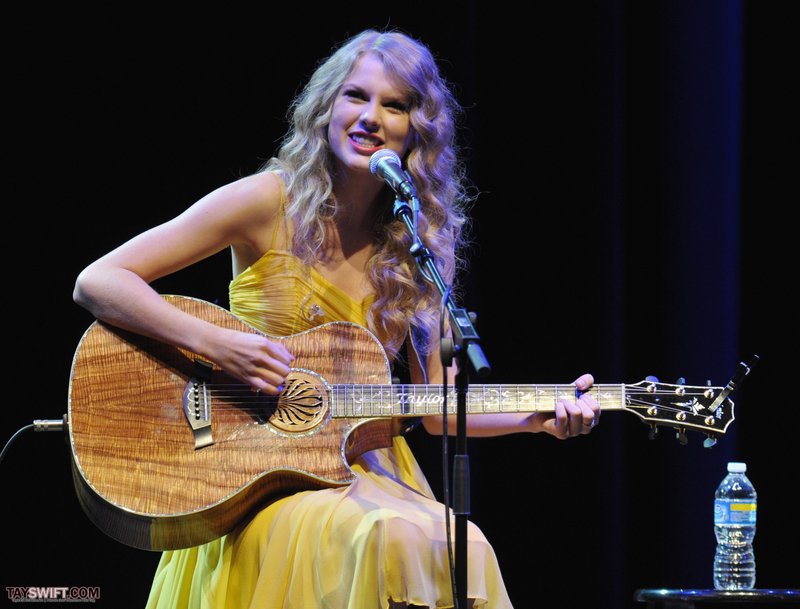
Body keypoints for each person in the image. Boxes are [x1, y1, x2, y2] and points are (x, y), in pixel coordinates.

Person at [73, 28, 600, 609]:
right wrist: (219, 344)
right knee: (380, 536)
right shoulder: (266, 201)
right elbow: (99, 281)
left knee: (466, 547)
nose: (370, 116)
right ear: (327, 108)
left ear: (415, 131)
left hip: (364, 468)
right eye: (356, 96)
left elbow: (435, 407)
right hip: (254, 468)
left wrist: (536, 418)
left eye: (394, 105)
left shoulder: (419, 248)